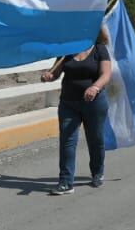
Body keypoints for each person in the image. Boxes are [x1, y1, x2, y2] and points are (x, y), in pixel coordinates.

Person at [40, 26, 112, 195]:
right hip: (68, 103)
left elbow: (106, 74)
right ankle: (65, 182)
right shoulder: (66, 50)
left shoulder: (99, 49)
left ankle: (97, 172)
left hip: (94, 103)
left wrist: (94, 87)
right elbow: (56, 72)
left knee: (95, 139)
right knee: (67, 142)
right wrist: (49, 76)